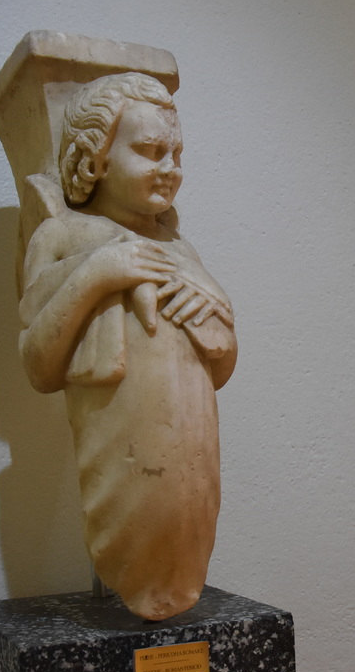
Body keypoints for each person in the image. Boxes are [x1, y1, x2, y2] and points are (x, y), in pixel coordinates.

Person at [17, 72, 236, 620]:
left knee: (188, 514)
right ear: (95, 159)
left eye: (176, 155)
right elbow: (39, 364)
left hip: (192, 436)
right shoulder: (61, 236)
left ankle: (175, 587)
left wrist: (218, 306)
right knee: (139, 520)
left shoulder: (181, 248)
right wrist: (99, 272)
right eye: (150, 151)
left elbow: (222, 366)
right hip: (123, 443)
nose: (169, 168)